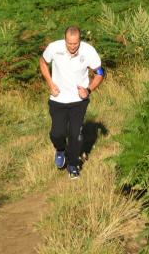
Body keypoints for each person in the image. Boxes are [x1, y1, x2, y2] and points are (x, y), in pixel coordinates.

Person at [39, 26, 104, 179]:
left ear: (80, 40)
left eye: (76, 44)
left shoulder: (88, 51)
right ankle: (60, 149)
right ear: (65, 40)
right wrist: (50, 84)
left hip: (78, 101)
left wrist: (88, 90)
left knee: (75, 134)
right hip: (58, 99)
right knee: (57, 133)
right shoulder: (54, 48)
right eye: (70, 43)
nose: (73, 47)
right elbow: (42, 62)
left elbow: (100, 72)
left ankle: (73, 165)